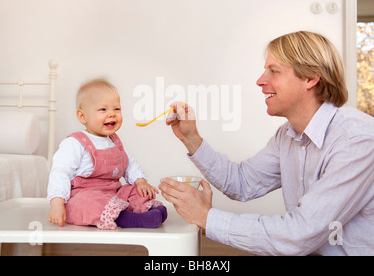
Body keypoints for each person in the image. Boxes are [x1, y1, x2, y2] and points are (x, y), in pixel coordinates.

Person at [159, 30, 374, 255]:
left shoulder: (357, 140)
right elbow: (241, 183)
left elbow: (300, 234)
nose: (260, 81)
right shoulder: (288, 135)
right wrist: (191, 138)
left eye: (274, 71)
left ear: (311, 78)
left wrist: (206, 217)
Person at [48, 79, 167, 230]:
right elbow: (60, 172)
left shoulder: (115, 141)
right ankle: (129, 219)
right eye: (103, 110)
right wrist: (57, 204)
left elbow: (129, 163)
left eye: (116, 109)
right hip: (84, 194)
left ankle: (147, 209)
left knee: (132, 190)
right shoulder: (75, 143)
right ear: (82, 116)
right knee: (87, 203)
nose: (112, 114)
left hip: (113, 192)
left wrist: (140, 182)